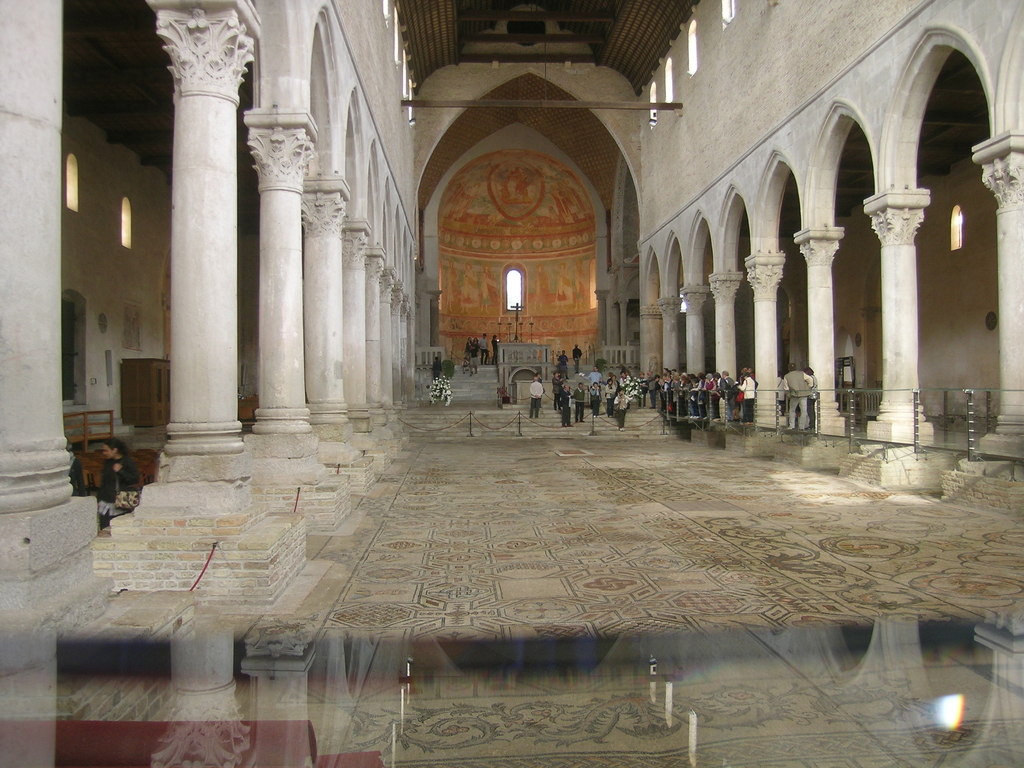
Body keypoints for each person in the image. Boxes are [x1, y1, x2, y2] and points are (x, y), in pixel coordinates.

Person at [97, 437, 139, 530]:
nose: (104, 453)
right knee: (104, 528)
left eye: (106, 450)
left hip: (120, 502)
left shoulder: (127, 462)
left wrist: (121, 471)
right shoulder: (107, 462)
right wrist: (99, 499)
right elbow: (104, 482)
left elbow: (134, 479)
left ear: (115, 450)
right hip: (106, 501)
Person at [783, 363, 814, 430]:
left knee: (792, 410)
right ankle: (801, 426)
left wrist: (788, 395)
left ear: (788, 368)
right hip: (803, 394)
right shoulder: (802, 373)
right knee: (804, 411)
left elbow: (786, 388)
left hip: (794, 395)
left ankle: (792, 426)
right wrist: (808, 387)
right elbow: (810, 379)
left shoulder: (786, 376)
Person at [804, 366, 819, 430]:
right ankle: (812, 424)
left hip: (810, 395)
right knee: (812, 410)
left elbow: (809, 386)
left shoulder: (810, 378)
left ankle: (811, 424)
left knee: (810, 411)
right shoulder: (814, 377)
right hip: (814, 395)